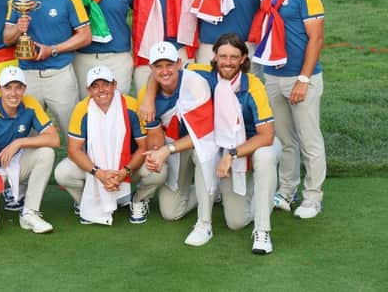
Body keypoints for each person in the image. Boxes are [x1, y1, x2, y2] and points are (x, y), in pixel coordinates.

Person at [145, 35, 280, 254]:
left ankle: (263, 228)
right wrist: (148, 98)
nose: (228, 62)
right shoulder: (201, 73)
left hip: (254, 144)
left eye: (234, 57)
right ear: (215, 57)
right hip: (220, 145)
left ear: (243, 58)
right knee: (230, 217)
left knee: (264, 159)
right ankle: (204, 223)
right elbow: (164, 71)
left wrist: (232, 154)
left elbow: (267, 136)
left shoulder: (253, 86)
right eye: (223, 56)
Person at [250, 0, 326, 219]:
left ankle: (313, 197)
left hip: (301, 77)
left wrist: (304, 79)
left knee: (309, 139)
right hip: (273, 75)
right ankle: (286, 191)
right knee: (285, 139)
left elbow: (316, 38)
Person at [54, 65, 166, 225]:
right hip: (95, 171)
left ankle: (138, 199)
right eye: (95, 86)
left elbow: (143, 147)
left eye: (105, 84)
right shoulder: (81, 109)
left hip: (127, 167)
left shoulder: (131, 105)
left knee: (159, 170)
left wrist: (124, 172)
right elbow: (73, 150)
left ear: (114, 85)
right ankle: (85, 201)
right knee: (62, 173)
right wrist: (98, 173)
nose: (101, 90)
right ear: (89, 90)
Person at [4, 0, 92, 140]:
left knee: (74, 134)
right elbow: (7, 37)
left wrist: (53, 49)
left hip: (59, 75)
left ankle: (78, 170)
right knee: (27, 136)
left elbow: (85, 35)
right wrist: (19, 28)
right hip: (27, 76)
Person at [0, 66, 59, 238]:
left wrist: (19, 142)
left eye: (18, 87)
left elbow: (54, 139)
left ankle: (29, 213)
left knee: (46, 153)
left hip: (10, 165)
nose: (13, 93)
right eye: (8, 87)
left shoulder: (30, 104)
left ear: (24, 88)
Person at [137, 42, 197, 224]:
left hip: (204, 140)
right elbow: (155, 139)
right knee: (171, 213)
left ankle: (210, 186)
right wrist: (158, 153)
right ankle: (209, 189)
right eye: (158, 66)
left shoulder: (196, 75)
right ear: (151, 68)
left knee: (203, 152)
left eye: (169, 65)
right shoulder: (145, 96)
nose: (164, 71)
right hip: (176, 145)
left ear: (179, 63)